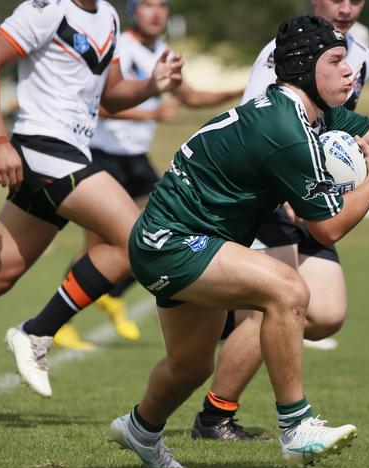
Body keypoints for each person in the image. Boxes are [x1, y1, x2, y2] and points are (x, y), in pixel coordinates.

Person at [106, 15, 369, 468]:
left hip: (179, 238)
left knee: (189, 367)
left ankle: (140, 430)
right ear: (304, 67)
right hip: (172, 241)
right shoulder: (285, 128)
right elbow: (329, 229)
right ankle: (296, 429)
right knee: (289, 289)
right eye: (337, 60)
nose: (349, 71)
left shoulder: (302, 113)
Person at [190, 0, 369, 441]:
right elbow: (261, 119)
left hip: (312, 190)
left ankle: (227, 321)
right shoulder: (281, 54)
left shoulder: (359, 52)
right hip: (272, 196)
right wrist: (295, 180)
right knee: (274, 303)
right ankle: (217, 417)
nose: (346, 7)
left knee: (325, 313)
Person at [0, 0, 183, 396]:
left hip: (70, 155)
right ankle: (38, 332)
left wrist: (153, 84)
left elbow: (110, 97)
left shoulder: (109, 17)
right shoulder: (47, 8)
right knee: (137, 237)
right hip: (44, 149)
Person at [54, 0, 244, 350]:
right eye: (147, 5)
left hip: (136, 160)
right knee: (98, 244)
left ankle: (112, 294)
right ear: (132, 12)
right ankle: (59, 323)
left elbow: (189, 96)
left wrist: (238, 91)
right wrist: (148, 117)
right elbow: (101, 104)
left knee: (158, 232)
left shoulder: (163, 52)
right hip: (102, 155)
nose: (156, 12)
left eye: (162, 6)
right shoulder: (120, 46)